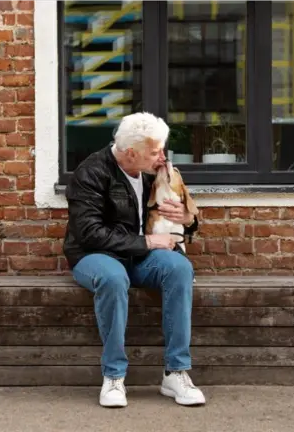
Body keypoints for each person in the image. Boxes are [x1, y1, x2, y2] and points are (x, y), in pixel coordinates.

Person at [62, 112, 204, 408]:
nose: (161, 157)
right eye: (154, 152)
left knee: (179, 269)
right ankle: (114, 376)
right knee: (114, 278)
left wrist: (188, 220)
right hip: (94, 255)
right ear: (130, 153)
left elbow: (183, 214)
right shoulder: (90, 173)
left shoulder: (155, 171)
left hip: (141, 256)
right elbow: (89, 234)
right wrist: (148, 241)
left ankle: (175, 372)